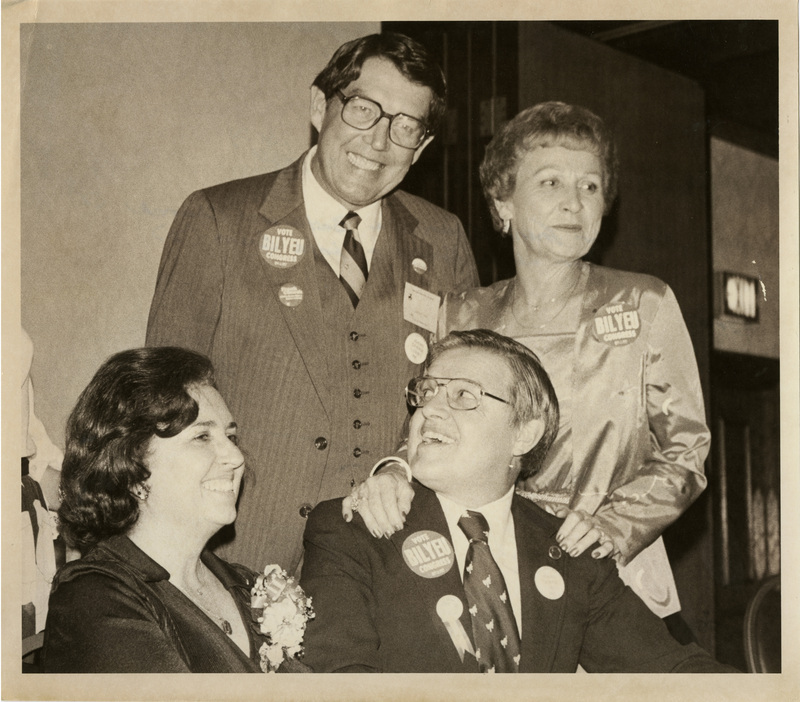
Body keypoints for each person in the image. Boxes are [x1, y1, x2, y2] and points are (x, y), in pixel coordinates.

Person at [344, 102, 710, 634]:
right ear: (503, 202)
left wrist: (613, 525)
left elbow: (686, 452)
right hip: (496, 580)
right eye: (551, 183)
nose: (574, 203)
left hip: (614, 576)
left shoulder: (643, 301)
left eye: (590, 187)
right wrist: (394, 472)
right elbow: (428, 433)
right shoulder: (461, 312)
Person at [146, 32, 479, 573]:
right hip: (238, 557)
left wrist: (399, 467)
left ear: (420, 148)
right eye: (364, 110)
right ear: (320, 106)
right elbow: (162, 405)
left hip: (390, 563)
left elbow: (463, 401)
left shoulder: (443, 241)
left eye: (405, 126)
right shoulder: (218, 219)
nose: (379, 141)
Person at [301, 330, 733, 673]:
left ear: (524, 433)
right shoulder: (351, 530)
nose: (429, 410)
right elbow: (341, 680)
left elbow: (670, 669)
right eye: (427, 392)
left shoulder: (569, 551)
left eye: (464, 396)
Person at [42, 347, 309, 673]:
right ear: (133, 468)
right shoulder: (95, 598)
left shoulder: (248, 585)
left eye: (230, 436)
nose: (236, 457)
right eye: (202, 437)